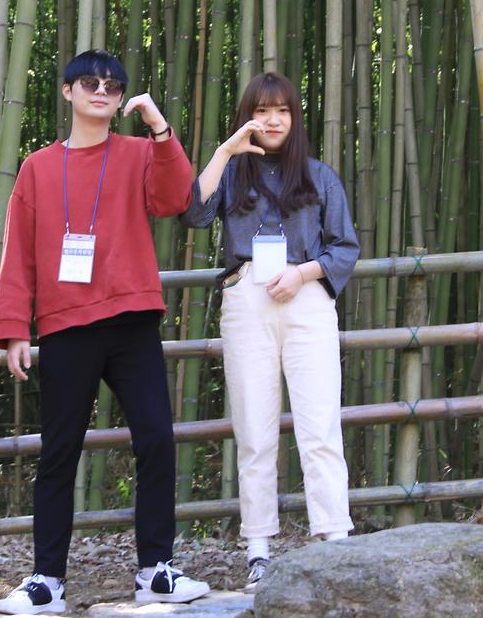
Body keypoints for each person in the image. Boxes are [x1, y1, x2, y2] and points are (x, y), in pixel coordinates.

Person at [0, 50, 211, 615]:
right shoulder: (38, 168)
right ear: (67, 91)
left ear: (120, 100)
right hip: (65, 324)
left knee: (156, 439)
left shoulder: (139, 152)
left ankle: (155, 569)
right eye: (89, 82)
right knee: (59, 452)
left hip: (132, 319)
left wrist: (160, 129)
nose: (101, 91)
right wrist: (14, 327)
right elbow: (18, 253)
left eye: (112, 86)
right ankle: (47, 580)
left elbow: (176, 199)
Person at [181, 71, 359, 591]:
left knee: (319, 424)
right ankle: (258, 548)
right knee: (254, 431)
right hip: (247, 300)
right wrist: (224, 151)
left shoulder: (319, 176)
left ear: (295, 117)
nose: (273, 120)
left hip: (307, 302)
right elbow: (193, 212)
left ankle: (335, 540)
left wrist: (302, 274)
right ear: (247, 118)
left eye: (282, 110)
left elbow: (344, 247)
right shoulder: (233, 173)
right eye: (262, 111)